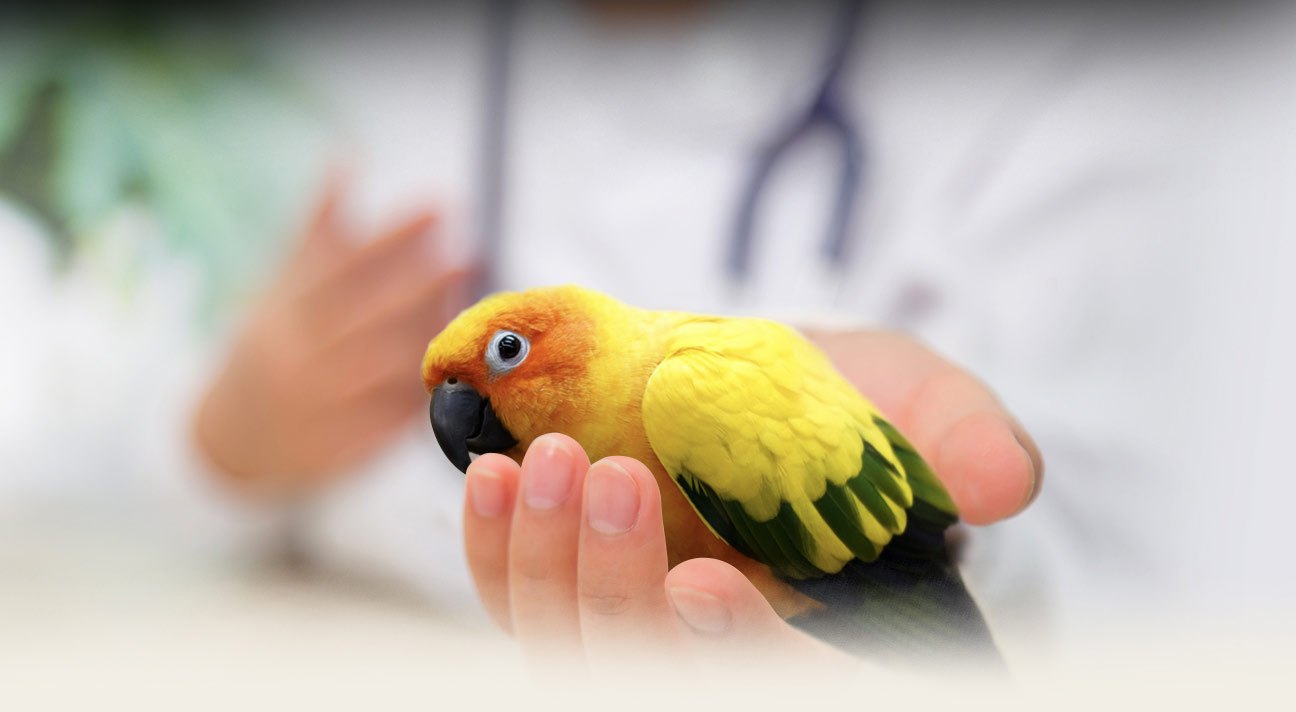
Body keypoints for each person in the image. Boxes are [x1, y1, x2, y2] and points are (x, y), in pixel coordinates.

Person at [154, 0, 1296, 669]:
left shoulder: (1093, 62)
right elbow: (98, 431)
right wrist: (228, 436)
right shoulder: (370, 61)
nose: (463, 400)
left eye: (502, 353)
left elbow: (1175, 570)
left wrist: (961, 577)